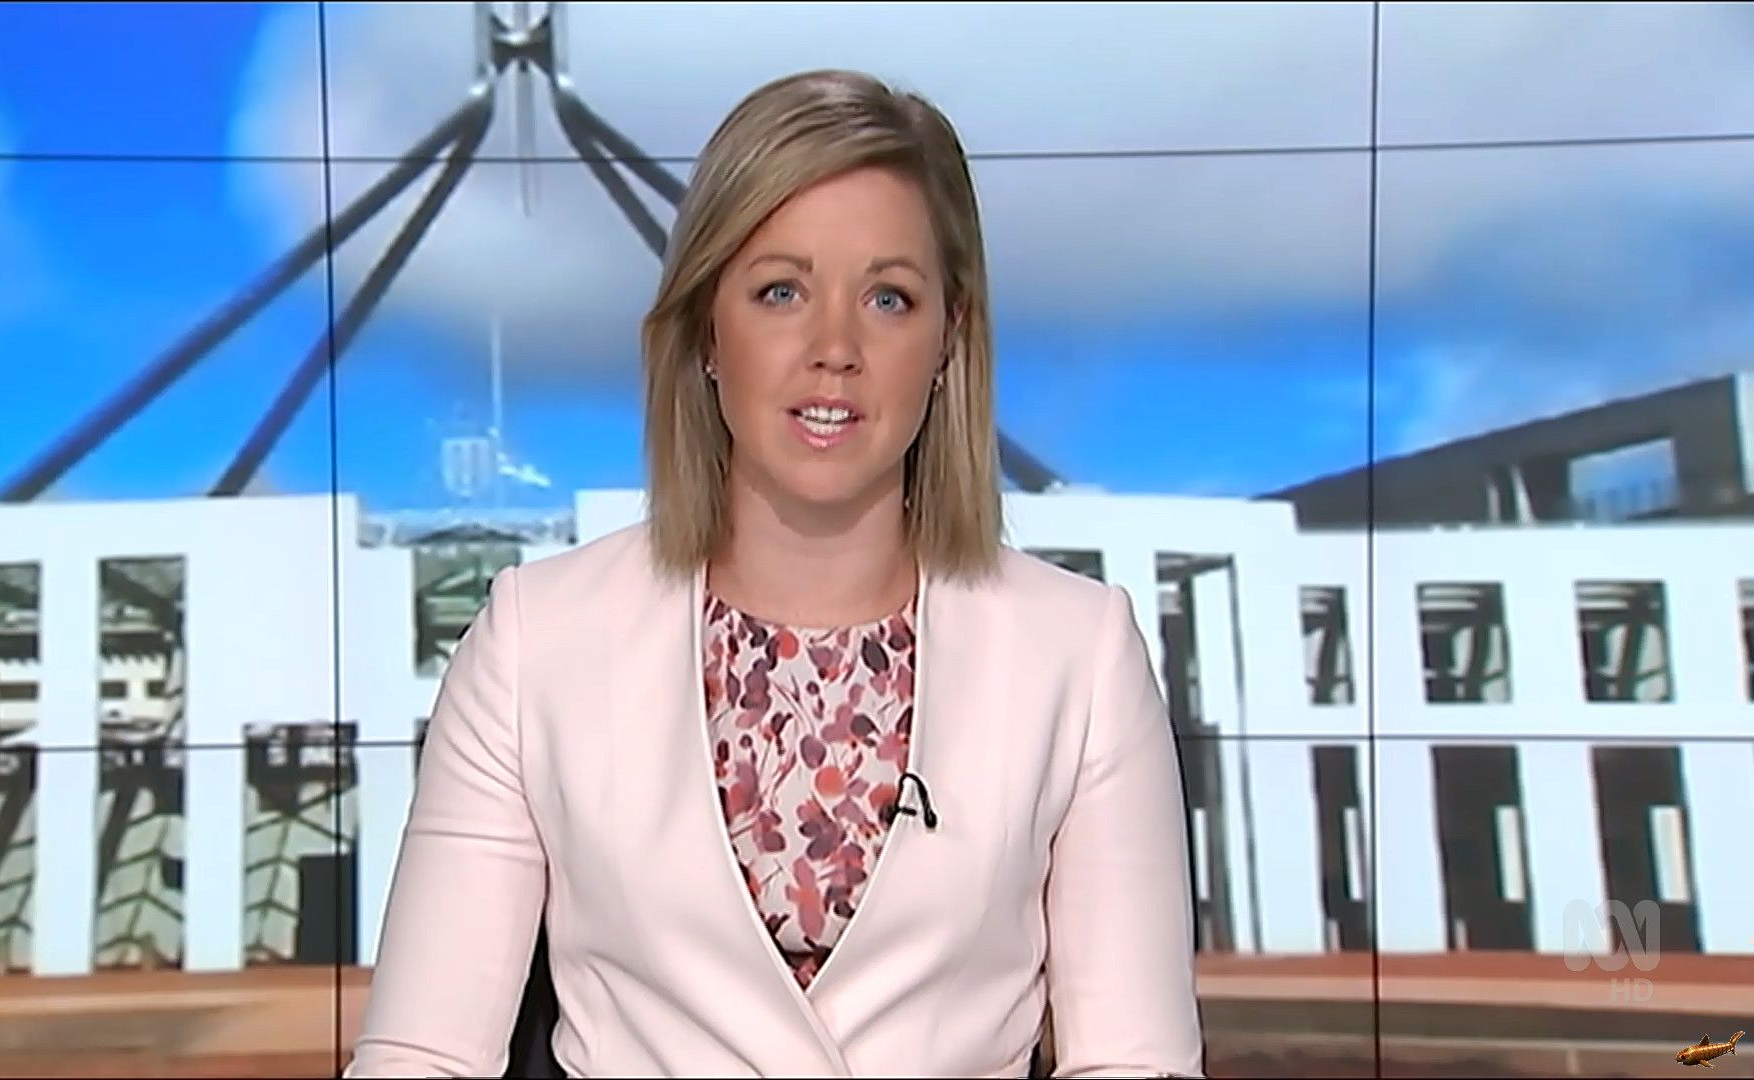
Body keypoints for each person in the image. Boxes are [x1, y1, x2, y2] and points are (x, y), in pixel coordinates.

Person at [345, 68, 1205, 1079]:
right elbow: (422, 1055)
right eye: (781, 291)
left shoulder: (1079, 655)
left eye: (888, 298)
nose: (834, 348)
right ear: (708, 327)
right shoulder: (536, 641)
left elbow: (1135, 1061)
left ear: (948, 340)